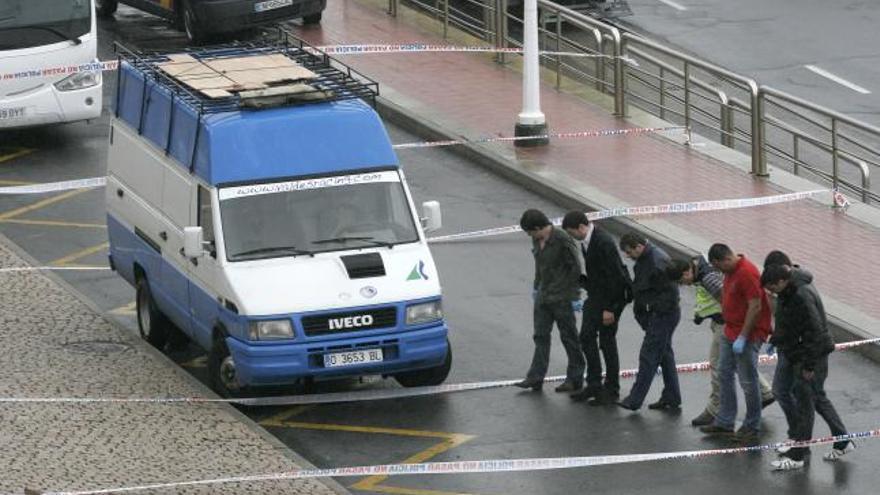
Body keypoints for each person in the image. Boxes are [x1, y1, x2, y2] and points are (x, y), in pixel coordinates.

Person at [761, 264, 855, 470]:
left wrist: (809, 364)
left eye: (772, 288)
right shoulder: (792, 289)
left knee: (805, 401)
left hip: (811, 356)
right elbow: (790, 322)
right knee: (817, 398)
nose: (771, 293)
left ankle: (798, 455)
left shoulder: (800, 295)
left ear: (781, 281)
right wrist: (777, 339)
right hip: (807, 354)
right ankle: (842, 440)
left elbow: (814, 331)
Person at [667, 257, 775, 427]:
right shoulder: (701, 271)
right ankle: (764, 392)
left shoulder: (708, 278)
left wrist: (735, 328)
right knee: (735, 365)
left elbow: (729, 302)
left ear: (687, 271)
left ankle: (716, 410)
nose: (684, 285)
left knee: (719, 366)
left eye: (682, 281)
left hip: (725, 325)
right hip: (725, 324)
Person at [700, 244, 772, 443]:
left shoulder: (747, 273)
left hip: (747, 334)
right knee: (724, 373)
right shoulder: (731, 270)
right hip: (730, 330)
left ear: (721, 261)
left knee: (748, 382)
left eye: (718, 268)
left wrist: (744, 336)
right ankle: (725, 421)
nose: (719, 272)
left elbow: (755, 306)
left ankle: (751, 426)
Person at [562, 211, 632, 405]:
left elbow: (616, 277)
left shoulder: (603, 242)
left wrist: (610, 309)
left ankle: (611, 389)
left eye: (571, 232)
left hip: (611, 299)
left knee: (607, 342)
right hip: (596, 296)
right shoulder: (587, 241)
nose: (571, 237)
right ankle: (594, 384)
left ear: (581, 227)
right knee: (586, 336)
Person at [514, 209, 586, 393]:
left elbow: (575, 268)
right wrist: (536, 286)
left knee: (569, 338)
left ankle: (575, 377)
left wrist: (575, 296)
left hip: (562, 297)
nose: (530, 235)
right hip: (543, 296)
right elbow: (539, 265)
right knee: (540, 336)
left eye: (530, 231)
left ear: (538, 227)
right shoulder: (537, 240)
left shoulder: (562, 239)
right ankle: (535, 377)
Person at [616, 232, 682, 411]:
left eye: (630, 252)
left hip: (662, 316)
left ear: (639, 246)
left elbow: (670, 294)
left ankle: (634, 399)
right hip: (659, 315)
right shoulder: (649, 258)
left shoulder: (656, 261)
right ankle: (672, 396)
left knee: (649, 355)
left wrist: (653, 313)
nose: (629, 256)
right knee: (664, 354)